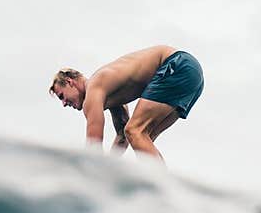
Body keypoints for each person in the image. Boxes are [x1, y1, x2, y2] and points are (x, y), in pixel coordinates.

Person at [49, 46, 203, 163]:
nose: (63, 103)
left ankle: (162, 191)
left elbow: (93, 147)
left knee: (135, 131)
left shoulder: (93, 90)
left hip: (176, 65)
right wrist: (112, 169)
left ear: (70, 82)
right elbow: (123, 136)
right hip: (191, 73)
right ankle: (164, 192)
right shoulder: (107, 92)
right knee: (143, 137)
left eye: (62, 96)